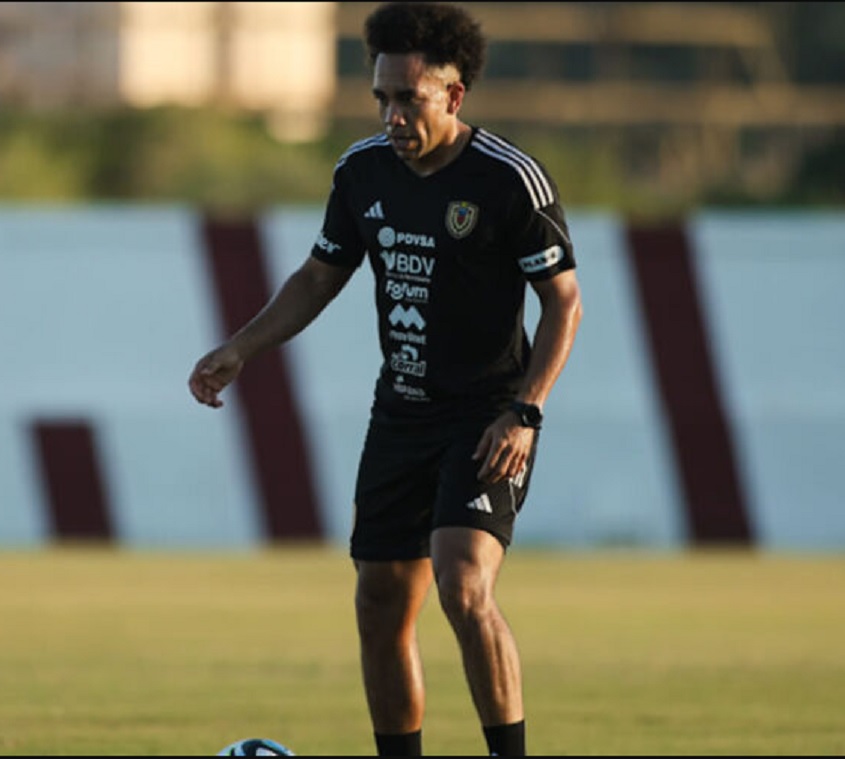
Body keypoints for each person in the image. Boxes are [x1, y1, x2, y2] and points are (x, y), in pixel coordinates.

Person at [188, 2, 582, 755]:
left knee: (463, 585)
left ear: (454, 95)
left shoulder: (509, 181)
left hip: (487, 417)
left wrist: (525, 411)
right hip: (400, 415)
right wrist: (240, 347)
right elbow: (317, 277)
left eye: (409, 98)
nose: (392, 115)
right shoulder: (361, 172)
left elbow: (564, 302)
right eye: (382, 99)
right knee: (379, 603)